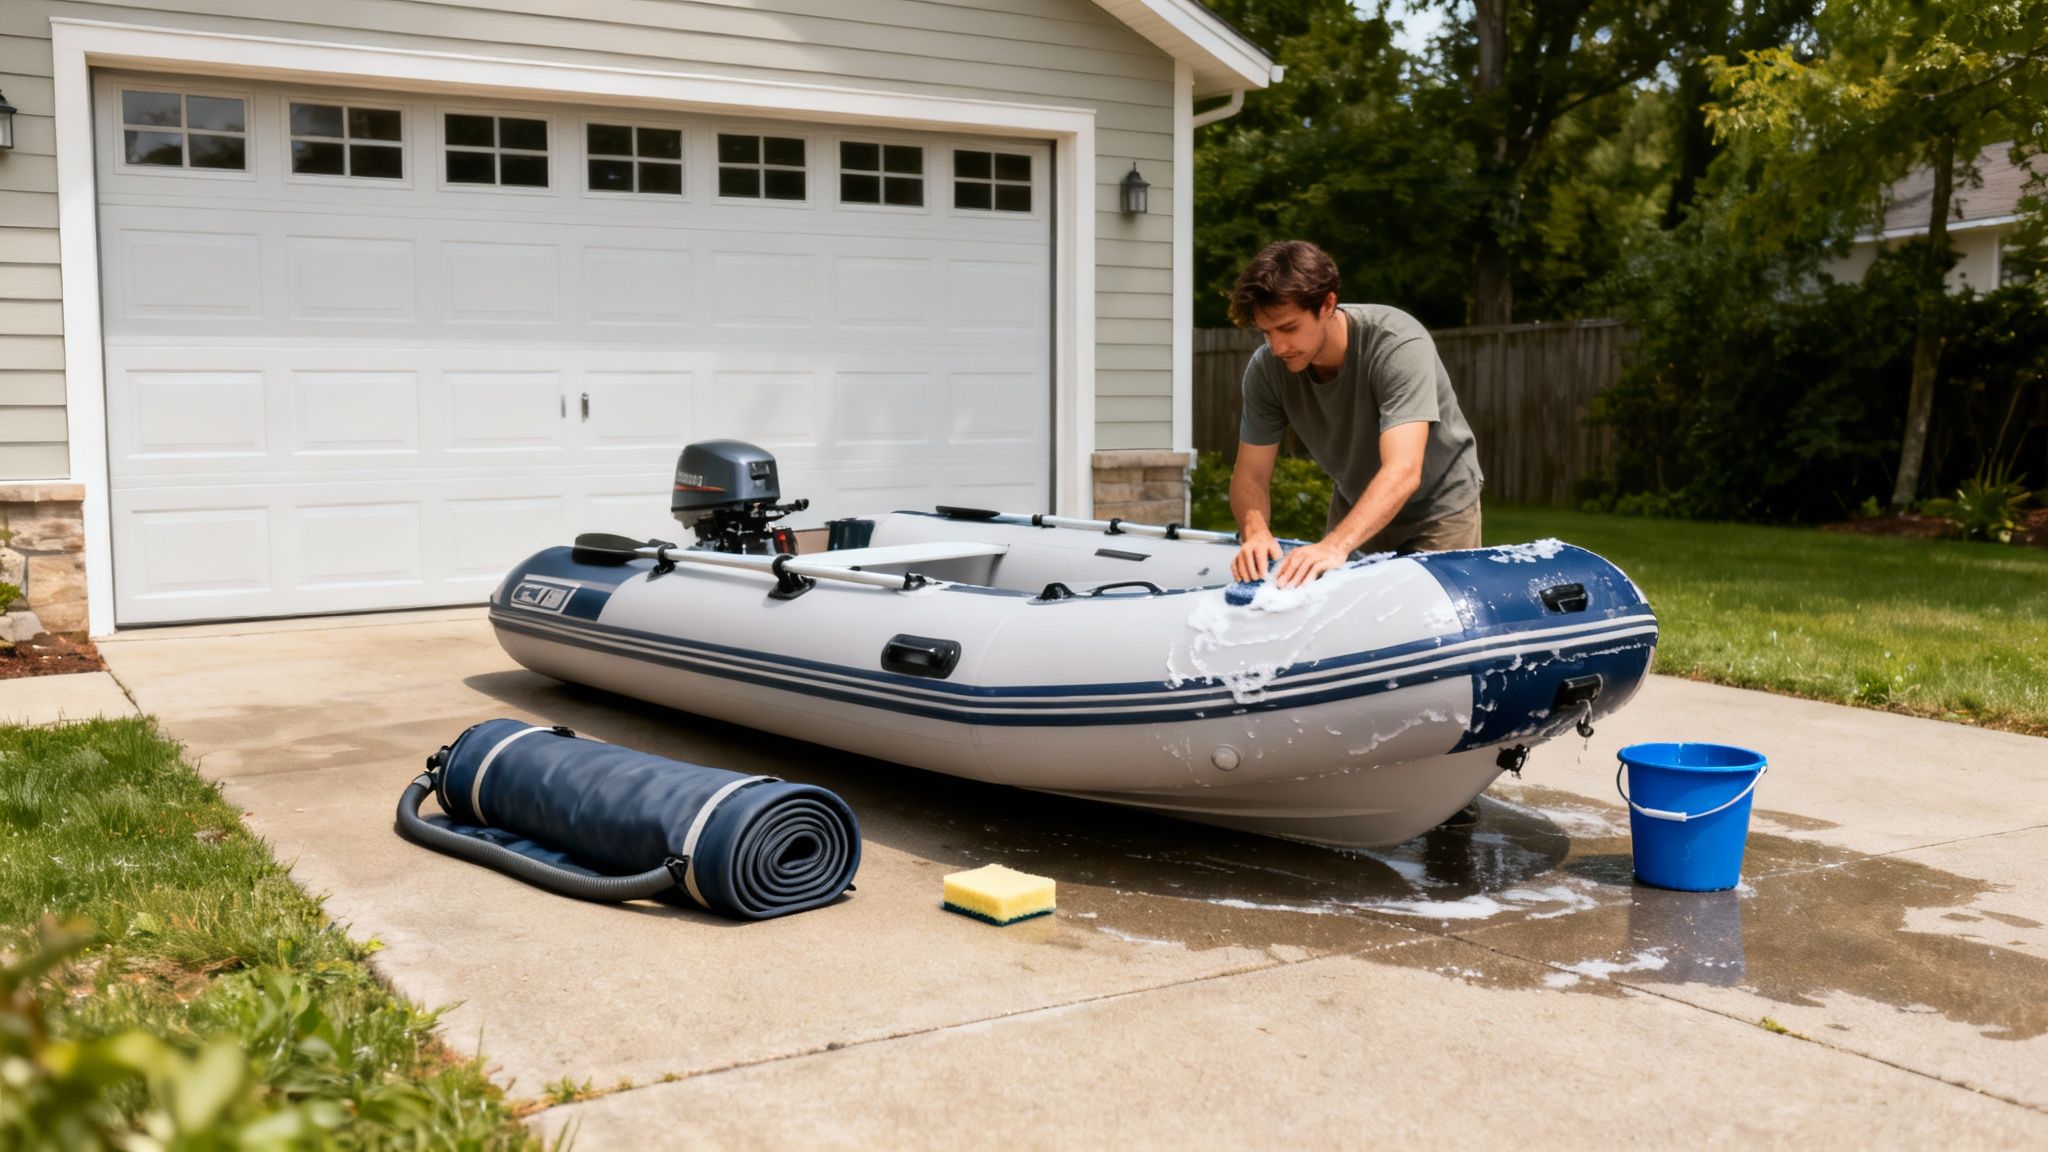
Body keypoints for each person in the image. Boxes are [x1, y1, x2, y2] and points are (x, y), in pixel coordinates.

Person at [1227, 240, 1484, 588]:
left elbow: (1404, 470)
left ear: (1328, 304)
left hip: (1438, 509)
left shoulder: (1397, 345)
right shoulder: (1266, 371)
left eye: (1287, 328)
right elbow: (1251, 476)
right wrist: (1255, 533)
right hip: (1358, 502)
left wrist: (1336, 545)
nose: (1276, 347)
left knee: (1427, 626)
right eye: (1265, 332)